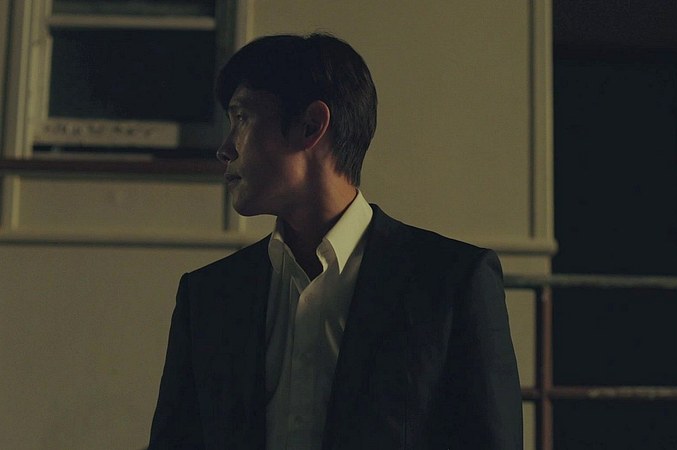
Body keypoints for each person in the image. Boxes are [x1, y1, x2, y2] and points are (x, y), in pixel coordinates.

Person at [149, 33, 522, 450]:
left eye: (242, 118)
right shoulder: (208, 295)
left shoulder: (450, 283)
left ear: (311, 125)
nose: (224, 148)